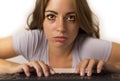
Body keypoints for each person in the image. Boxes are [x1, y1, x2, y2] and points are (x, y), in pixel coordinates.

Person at [0, 0, 120, 77]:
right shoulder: (33, 40)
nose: (61, 28)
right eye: (51, 16)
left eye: (71, 18)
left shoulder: (90, 47)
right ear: (41, 20)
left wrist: (112, 68)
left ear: (80, 22)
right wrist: (14, 68)